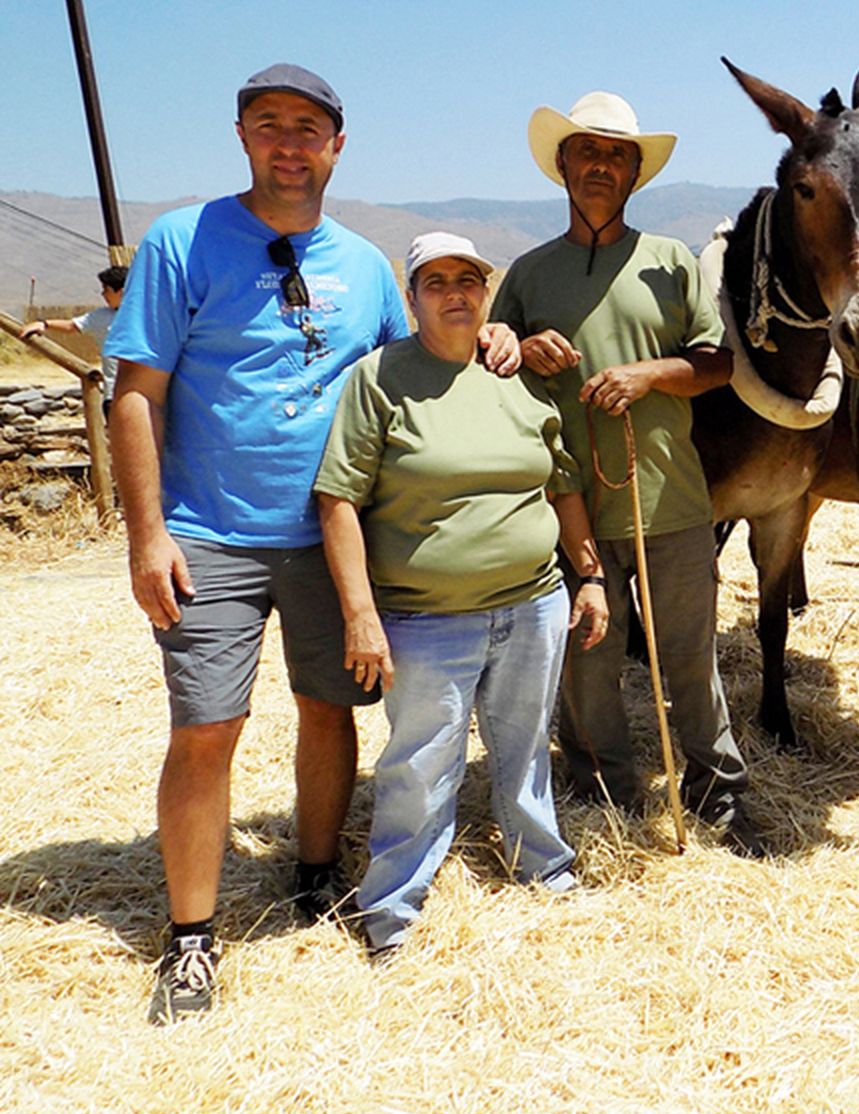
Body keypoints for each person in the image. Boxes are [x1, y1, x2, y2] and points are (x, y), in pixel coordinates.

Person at [104, 64, 520, 1023]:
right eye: (269, 125)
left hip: (335, 540)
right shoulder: (183, 242)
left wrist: (489, 335)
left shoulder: (366, 266)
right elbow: (136, 392)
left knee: (328, 711)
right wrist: (147, 536)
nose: (289, 143)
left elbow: (409, 361)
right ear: (242, 136)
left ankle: (317, 872)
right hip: (208, 533)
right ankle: (192, 941)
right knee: (207, 729)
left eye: (308, 128)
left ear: (338, 145)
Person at [315, 233, 607, 950]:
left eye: (469, 280)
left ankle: (541, 864)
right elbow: (338, 501)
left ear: (486, 291)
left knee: (525, 747)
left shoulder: (514, 374)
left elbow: (562, 482)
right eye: (435, 281)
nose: (455, 293)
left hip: (533, 603)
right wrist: (360, 615)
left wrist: (590, 575)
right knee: (419, 762)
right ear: (411, 298)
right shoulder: (378, 378)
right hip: (425, 617)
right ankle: (394, 907)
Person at [490, 91, 760, 853]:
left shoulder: (671, 262)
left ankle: (718, 793)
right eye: (587, 152)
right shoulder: (528, 273)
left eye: (616, 156)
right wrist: (521, 342)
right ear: (563, 167)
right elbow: (494, 354)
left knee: (689, 655)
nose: (601, 166)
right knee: (587, 661)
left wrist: (648, 376)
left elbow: (716, 365)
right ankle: (601, 792)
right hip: (563, 502)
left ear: (634, 174)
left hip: (669, 495)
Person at [20, 264, 126, 402]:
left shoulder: (149, 316)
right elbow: (72, 325)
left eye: (106, 290)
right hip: (114, 395)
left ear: (121, 292)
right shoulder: (101, 317)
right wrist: (44, 324)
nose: (103, 294)